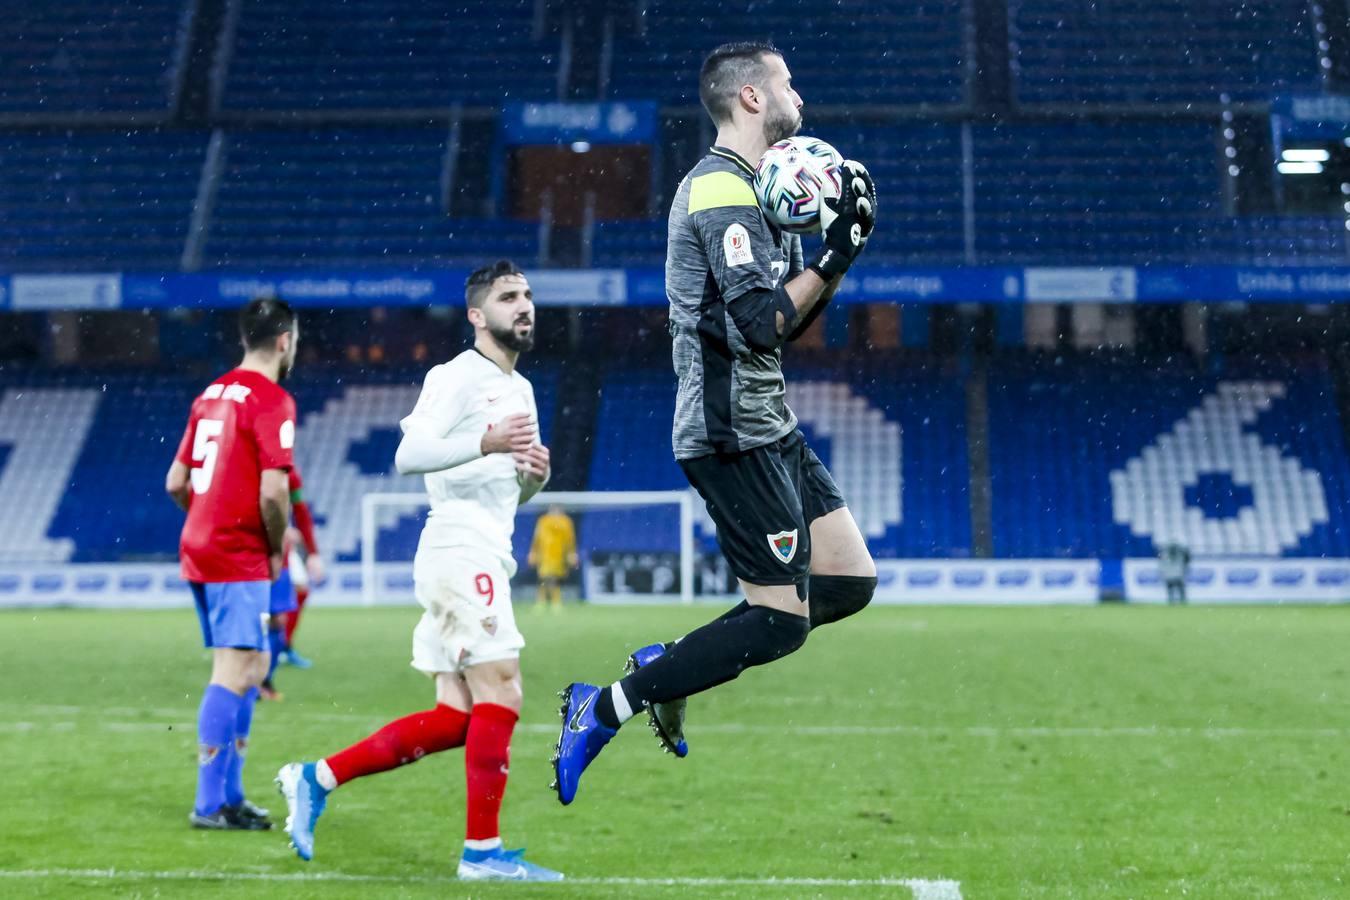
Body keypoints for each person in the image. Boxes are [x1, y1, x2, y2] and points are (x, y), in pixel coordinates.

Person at [552, 41, 879, 804]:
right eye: (786, 81)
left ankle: (669, 664)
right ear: (752, 99)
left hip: (770, 418)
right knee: (779, 625)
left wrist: (840, 249)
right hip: (731, 431)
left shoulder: (763, 193)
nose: (799, 92)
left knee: (851, 581)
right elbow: (762, 322)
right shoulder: (716, 194)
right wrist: (836, 254)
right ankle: (600, 708)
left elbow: (785, 322)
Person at [275, 260, 563, 882]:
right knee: (504, 689)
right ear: (477, 315)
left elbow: (508, 491)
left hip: (482, 546)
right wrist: (486, 443)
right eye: (509, 297)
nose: (524, 306)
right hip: (459, 548)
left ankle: (314, 777)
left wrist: (532, 480)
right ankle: (481, 855)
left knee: (459, 717)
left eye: (528, 295)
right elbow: (409, 455)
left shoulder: (524, 390)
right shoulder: (456, 376)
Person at [164, 297, 299, 830]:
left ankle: (231, 794)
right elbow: (273, 495)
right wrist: (272, 544)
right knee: (236, 669)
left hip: (200, 544)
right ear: (285, 340)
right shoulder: (272, 401)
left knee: (255, 665)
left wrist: (206, 517)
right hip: (237, 552)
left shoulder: (210, 395)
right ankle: (209, 803)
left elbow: (176, 481)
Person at [278, 466, 326, 669]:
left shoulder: (290, 474)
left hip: (280, 543)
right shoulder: (249, 465)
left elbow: (301, 511)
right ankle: (245, 648)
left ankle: (284, 646)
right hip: (254, 539)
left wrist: (313, 553)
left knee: (300, 587)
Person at [528, 504, 578, 611]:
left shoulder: (565, 521)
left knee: (554, 578)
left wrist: (571, 553)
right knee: (544, 577)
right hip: (545, 554)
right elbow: (536, 538)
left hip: (559, 554)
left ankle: (554, 602)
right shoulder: (543, 521)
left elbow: (570, 539)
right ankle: (543, 602)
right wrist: (533, 552)